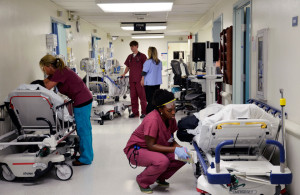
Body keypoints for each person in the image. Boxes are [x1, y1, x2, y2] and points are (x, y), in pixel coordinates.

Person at [123, 89, 190, 194]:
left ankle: (160, 177)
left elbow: (171, 138)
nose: (173, 113)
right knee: (162, 161)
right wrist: (175, 149)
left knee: (184, 157)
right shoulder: (152, 120)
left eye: (174, 109)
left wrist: (180, 148)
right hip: (137, 150)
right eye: (169, 110)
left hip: (155, 148)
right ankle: (142, 180)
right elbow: (150, 145)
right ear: (160, 109)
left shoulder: (171, 118)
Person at [39, 54, 93, 166]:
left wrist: (35, 88)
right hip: (83, 99)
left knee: (83, 130)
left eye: (43, 68)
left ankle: (86, 158)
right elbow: (44, 82)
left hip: (82, 100)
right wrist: (33, 85)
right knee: (84, 129)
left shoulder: (60, 72)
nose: (43, 70)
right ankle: (87, 155)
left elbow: (47, 87)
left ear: (48, 66)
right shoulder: (58, 72)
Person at [121, 40, 147, 119]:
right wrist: (124, 73)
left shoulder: (142, 56)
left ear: (137, 46)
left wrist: (143, 78)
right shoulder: (130, 57)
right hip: (132, 80)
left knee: (142, 97)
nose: (132, 48)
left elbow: (145, 68)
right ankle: (135, 112)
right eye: (131, 46)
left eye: (133, 46)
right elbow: (127, 67)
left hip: (140, 80)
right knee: (133, 97)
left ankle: (144, 112)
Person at [141, 47, 162, 114]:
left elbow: (144, 72)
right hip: (157, 83)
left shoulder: (148, 62)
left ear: (149, 52)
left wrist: (142, 79)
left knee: (150, 100)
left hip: (149, 84)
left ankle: (149, 114)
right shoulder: (159, 62)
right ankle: (156, 114)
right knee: (155, 99)